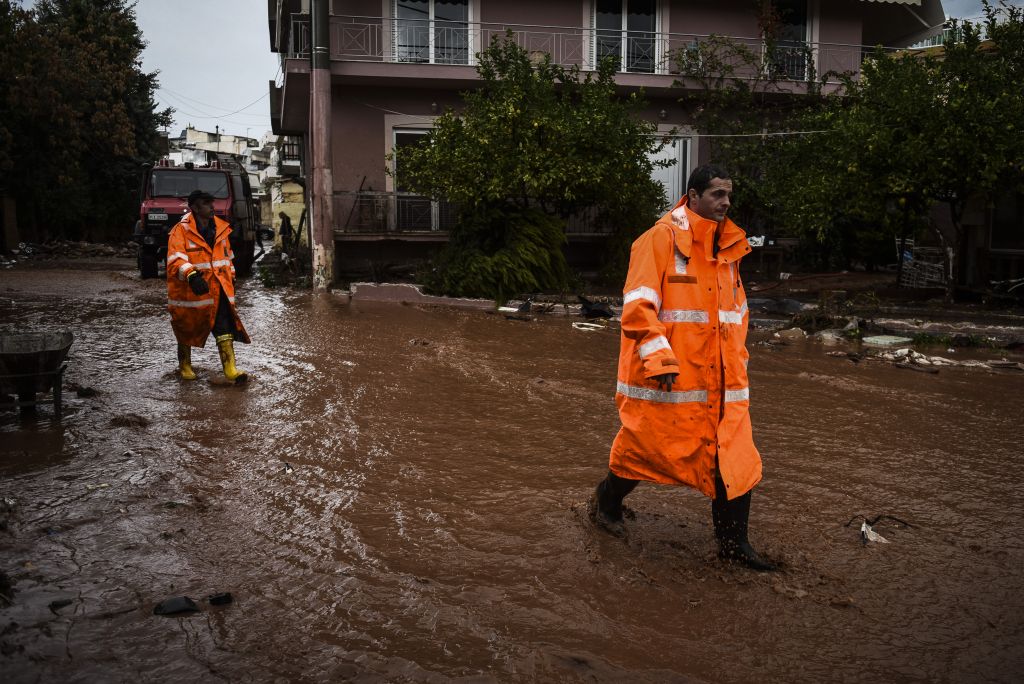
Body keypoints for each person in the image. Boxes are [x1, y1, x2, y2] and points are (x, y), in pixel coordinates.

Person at [591, 164, 776, 572]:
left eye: (728, 195)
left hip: (725, 383)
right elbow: (638, 308)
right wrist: (659, 360)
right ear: (692, 196)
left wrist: (738, 364)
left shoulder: (730, 249)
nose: (725, 203)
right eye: (716, 195)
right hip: (671, 378)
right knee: (644, 451)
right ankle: (606, 503)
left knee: (735, 458)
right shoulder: (659, 240)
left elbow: (735, 317)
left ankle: (733, 546)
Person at [166, 189, 251, 384]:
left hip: (218, 289)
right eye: (207, 203)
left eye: (212, 202)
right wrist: (192, 275)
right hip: (191, 292)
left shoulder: (221, 229)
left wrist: (232, 279)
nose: (213, 206)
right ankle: (185, 365)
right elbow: (175, 260)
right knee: (187, 326)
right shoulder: (180, 231)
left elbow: (227, 259)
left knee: (223, 325)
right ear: (195, 207)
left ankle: (230, 369)